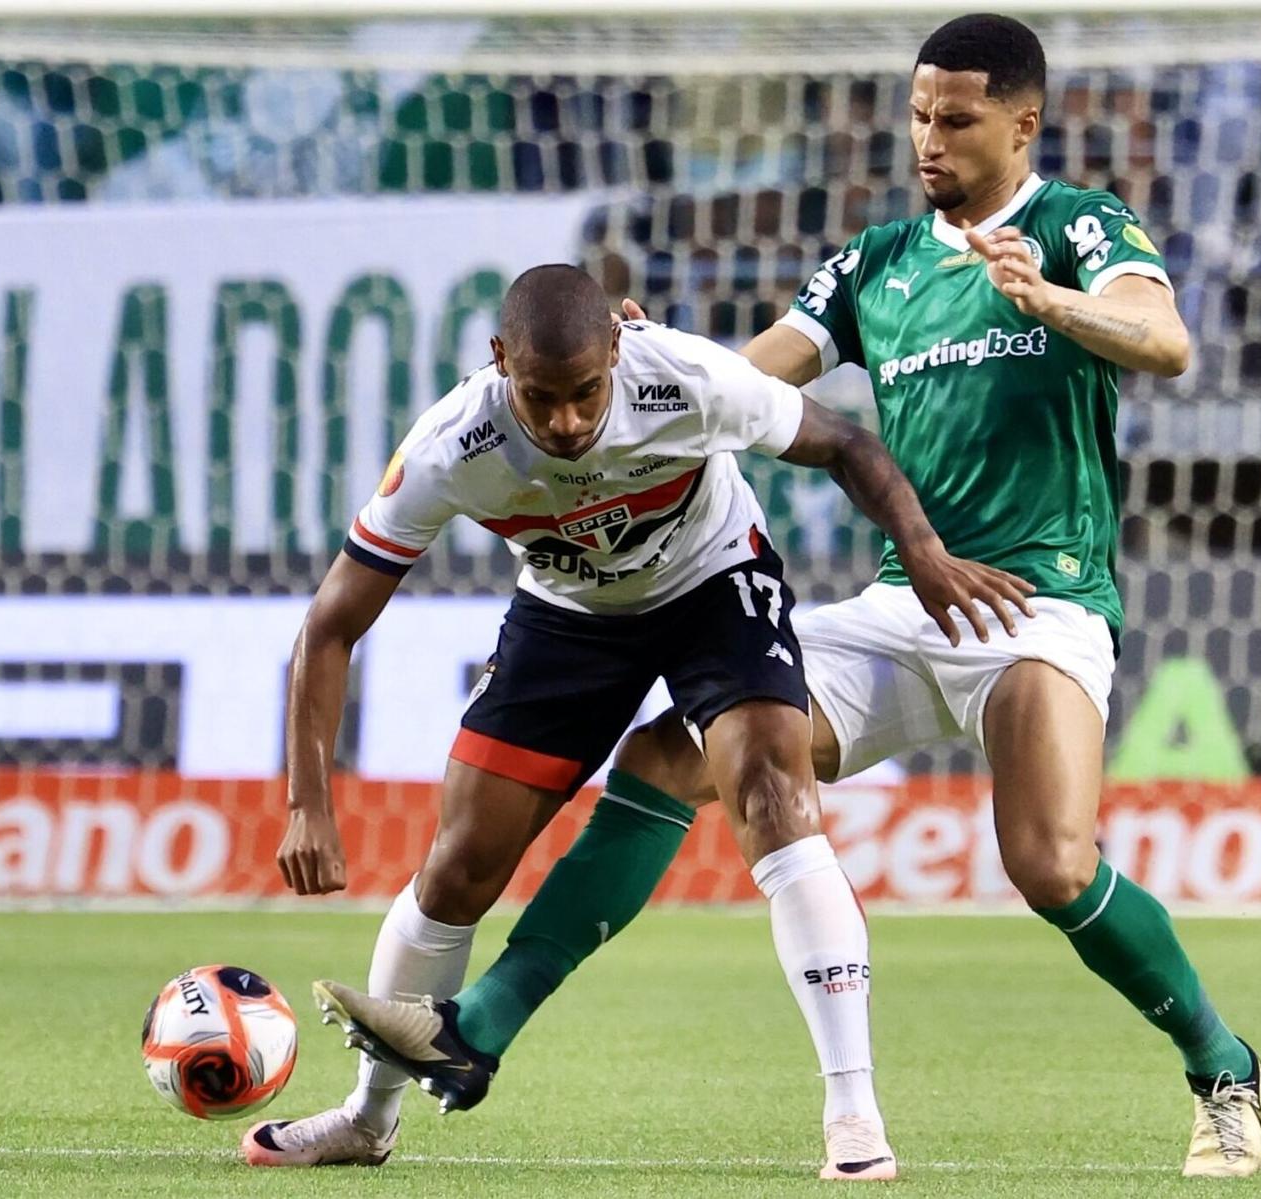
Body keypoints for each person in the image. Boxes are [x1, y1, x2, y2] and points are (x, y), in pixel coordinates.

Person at [329, 13, 1261, 1179]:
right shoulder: (877, 263)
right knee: (677, 753)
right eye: (920, 114)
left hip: (1040, 601)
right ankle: (478, 1032)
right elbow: (752, 373)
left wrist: (1055, 304)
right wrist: (644, 354)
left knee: (1049, 864)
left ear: (1024, 123)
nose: (930, 138)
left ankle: (1223, 1067)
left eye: (958, 118)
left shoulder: (1074, 226)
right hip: (899, 604)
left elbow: (1165, 340)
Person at [241, 263, 1031, 1179]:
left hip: (713, 585)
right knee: (459, 865)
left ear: (618, 348)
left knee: (774, 791)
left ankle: (855, 1118)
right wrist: (308, 802)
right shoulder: (453, 446)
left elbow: (848, 444)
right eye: (542, 398)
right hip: (569, 618)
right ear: (500, 363)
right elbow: (330, 625)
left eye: (586, 393)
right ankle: (367, 1118)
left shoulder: (686, 378)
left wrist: (923, 553)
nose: (570, 422)